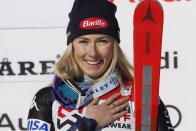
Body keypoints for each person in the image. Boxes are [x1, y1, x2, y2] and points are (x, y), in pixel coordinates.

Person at [27, 0, 174, 130]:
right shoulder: (47, 99)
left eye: (102, 41)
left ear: (114, 46)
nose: (92, 52)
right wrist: (88, 123)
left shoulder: (141, 96)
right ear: (72, 46)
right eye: (83, 41)